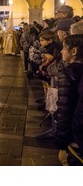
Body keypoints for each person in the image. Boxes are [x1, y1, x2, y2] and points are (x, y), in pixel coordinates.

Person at [54, 34, 83, 165]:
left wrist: (61, 144)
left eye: (64, 48)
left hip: (75, 134)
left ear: (74, 51)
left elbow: (64, 109)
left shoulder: (68, 73)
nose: (61, 51)